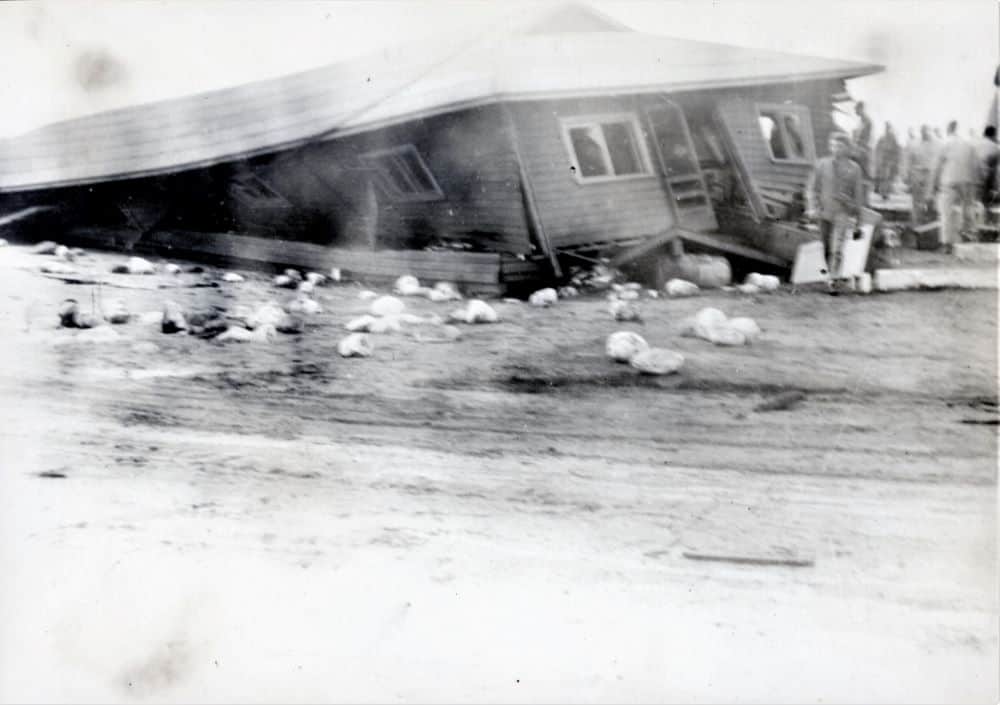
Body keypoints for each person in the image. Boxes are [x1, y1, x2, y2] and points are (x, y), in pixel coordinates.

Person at [806, 132, 865, 285]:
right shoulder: (821, 164)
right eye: (832, 145)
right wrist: (812, 207)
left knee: (837, 247)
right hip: (824, 212)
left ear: (847, 148)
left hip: (842, 212)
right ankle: (828, 274)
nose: (835, 149)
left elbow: (858, 194)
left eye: (839, 146)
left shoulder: (854, 168)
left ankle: (834, 278)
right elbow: (812, 188)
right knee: (825, 246)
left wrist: (858, 217)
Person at [933, 120, 980, 248]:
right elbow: (976, 165)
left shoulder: (945, 143)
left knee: (946, 212)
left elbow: (937, 166)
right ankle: (969, 237)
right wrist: (974, 183)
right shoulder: (969, 144)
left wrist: (934, 185)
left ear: (949, 130)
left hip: (949, 181)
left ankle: (946, 243)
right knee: (968, 210)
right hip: (967, 181)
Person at [904, 125, 938, 227]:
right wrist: (908, 175)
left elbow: (939, 161)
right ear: (921, 132)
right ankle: (916, 223)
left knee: (930, 200)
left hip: (930, 174)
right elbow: (909, 161)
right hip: (917, 173)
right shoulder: (914, 144)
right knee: (916, 201)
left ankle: (930, 224)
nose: (925, 134)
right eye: (923, 131)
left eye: (927, 131)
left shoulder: (937, 144)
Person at [873, 122, 901, 199]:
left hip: (890, 161)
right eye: (886, 128)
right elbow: (877, 149)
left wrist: (895, 161)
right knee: (883, 177)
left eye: (888, 128)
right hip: (883, 161)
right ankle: (883, 193)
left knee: (888, 178)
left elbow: (897, 150)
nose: (887, 130)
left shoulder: (893, 138)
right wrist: (878, 159)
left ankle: (886, 193)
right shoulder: (882, 138)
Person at [974, 126, 999, 210]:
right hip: (985, 177)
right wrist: (995, 186)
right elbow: (995, 169)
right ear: (993, 135)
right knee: (984, 200)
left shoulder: (975, 144)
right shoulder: (995, 147)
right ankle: (984, 212)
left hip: (972, 175)